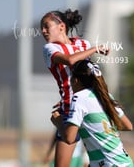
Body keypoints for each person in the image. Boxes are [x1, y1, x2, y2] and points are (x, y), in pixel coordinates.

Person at [40, 9, 108, 167]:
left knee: (106, 159)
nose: (42, 31)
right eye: (41, 28)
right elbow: (71, 61)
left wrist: (104, 98)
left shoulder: (82, 44)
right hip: (70, 109)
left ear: (61, 26)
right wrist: (95, 49)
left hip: (91, 107)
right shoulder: (50, 49)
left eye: (46, 26)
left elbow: (89, 76)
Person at [51, 59, 134, 167]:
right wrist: (104, 128)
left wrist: (58, 122)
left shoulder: (79, 98)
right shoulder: (105, 96)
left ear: (75, 80)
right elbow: (128, 126)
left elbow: (69, 138)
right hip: (123, 162)